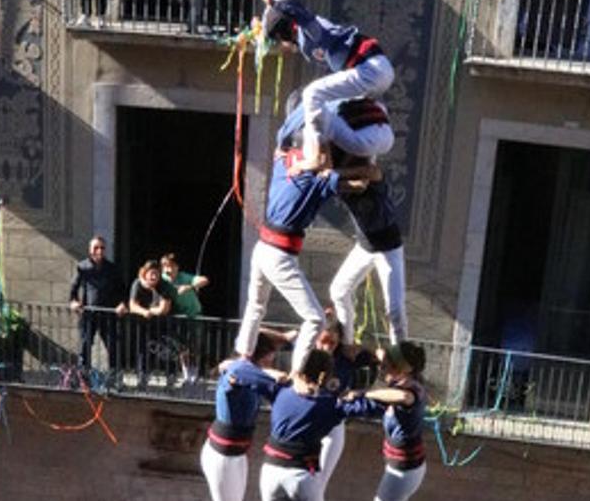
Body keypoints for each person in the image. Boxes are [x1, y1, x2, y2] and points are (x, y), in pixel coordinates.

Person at [233, 124, 382, 375]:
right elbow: (365, 180)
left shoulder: (283, 160)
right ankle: (296, 374)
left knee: (256, 305)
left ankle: (243, 355)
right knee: (315, 319)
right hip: (279, 254)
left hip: (263, 248)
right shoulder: (315, 179)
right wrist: (361, 164)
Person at [278, 96, 408, 343]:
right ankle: (347, 344)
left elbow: (366, 178)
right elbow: (321, 162)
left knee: (395, 310)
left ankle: (402, 359)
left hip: (388, 246)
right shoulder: (336, 173)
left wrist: (332, 174)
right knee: (338, 290)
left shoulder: (366, 167)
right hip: (365, 245)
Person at [259, 0, 396, 169]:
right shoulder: (304, 41)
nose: (281, 44)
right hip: (374, 70)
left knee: (312, 94)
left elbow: (301, 15)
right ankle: (367, 162)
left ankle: (316, 153)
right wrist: (270, 9)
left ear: (287, 30)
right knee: (355, 105)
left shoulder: (312, 30)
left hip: (370, 68)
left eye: (279, 38)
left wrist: (274, 3)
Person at [258, 349, 379, 501]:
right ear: (324, 376)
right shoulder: (330, 405)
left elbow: (245, 372)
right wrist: (365, 393)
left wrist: (272, 373)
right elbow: (373, 407)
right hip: (301, 476)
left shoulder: (279, 391)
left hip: (270, 472)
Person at [201, 335, 282, 501]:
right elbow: (241, 370)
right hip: (222, 454)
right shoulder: (235, 373)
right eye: (267, 362)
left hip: (237, 452)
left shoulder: (250, 375)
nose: (270, 365)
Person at [312, 318, 378, 499]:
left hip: (334, 424)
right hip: (309, 421)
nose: (327, 347)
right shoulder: (307, 353)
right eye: (323, 341)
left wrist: (360, 348)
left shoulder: (346, 357)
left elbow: (380, 357)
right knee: (304, 478)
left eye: (332, 342)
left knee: (319, 482)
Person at [361, 341, 429, 501]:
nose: (381, 369)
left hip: (404, 470)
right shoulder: (404, 379)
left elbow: (403, 397)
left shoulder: (412, 390)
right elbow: (383, 355)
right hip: (401, 465)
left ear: (401, 370)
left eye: (385, 366)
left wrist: (365, 393)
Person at [68, 236, 128, 379]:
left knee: (113, 347)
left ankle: (115, 379)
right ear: (90, 250)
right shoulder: (82, 267)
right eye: (96, 248)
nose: (99, 251)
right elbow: (73, 288)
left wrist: (122, 304)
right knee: (85, 345)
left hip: (108, 314)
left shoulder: (112, 268)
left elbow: (122, 290)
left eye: (102, 248)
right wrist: (73, 302)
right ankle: (83, 378)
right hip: (89, 313)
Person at [161, 252, 210, 383]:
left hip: (194, 315)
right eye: (165, 266)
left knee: (195, 345)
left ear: (177, 267)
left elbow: (203, 280)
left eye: (171, 266)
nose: (168, 269)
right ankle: (184, 374)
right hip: (176, 317)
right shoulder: (163, 279)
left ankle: (197, 374)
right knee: (179, 347)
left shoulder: (184, 277)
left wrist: (189, 287)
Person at [128, 259, 178, 387]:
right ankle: (142, 380)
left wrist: (148, 310)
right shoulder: (137, 284)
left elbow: (163, 309)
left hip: (163, 324)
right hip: (144, 324)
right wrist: (144, 312)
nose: (154, 276)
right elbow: (132, 305)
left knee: (167, 351)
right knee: (143, 351)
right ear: (145, 273)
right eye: (151, 273)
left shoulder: (164, 285)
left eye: (156, 273)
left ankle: (170, 380)